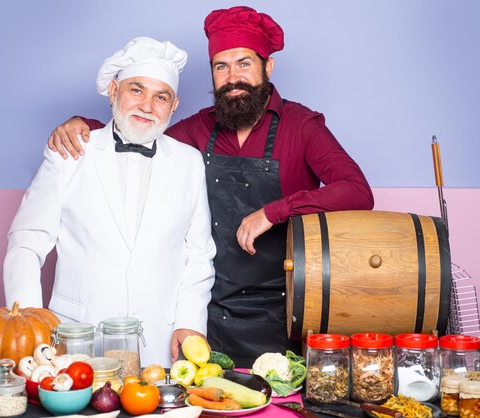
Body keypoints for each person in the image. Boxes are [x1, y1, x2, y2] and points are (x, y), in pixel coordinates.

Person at [47, 7, 374, 367]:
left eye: (244, 63)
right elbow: (139, 136)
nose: (233, 77)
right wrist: (85, 125)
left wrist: (274, 212)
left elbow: (357, 190)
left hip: (283, 312)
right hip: (209, 316)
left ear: (268, 68)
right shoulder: (196, 129)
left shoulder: (302, 127)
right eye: (221, 66)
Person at [3, 37, 216, 367]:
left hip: (158, 347)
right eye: (136, 90)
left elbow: (199, 253)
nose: (147, 105)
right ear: (114, 91)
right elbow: (26, 244)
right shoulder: (70, 151)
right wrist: (29, 327)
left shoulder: (189, 162)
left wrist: (190, 322)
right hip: (75, 344)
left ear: (174, 107)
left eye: (161, 97)